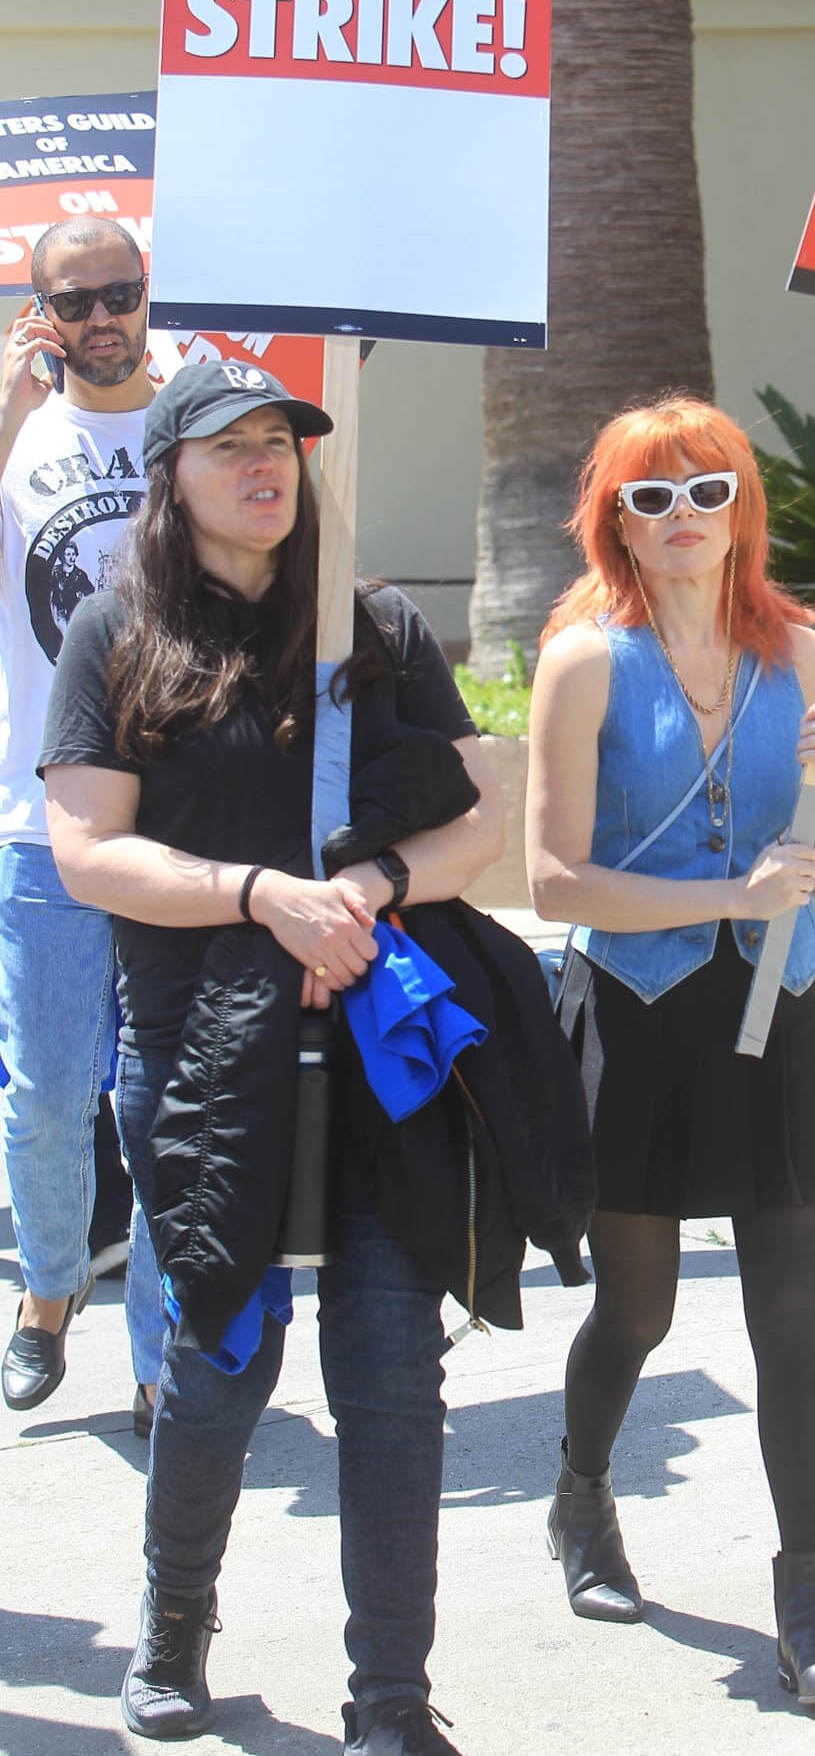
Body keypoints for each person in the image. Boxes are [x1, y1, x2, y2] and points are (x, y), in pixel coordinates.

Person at [40, 361, 505, 1754]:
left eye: (281, 442)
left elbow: (482, 824)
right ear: (169, 474)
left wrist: (366, 888)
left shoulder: (374, 625)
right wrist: (261, 897)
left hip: (372, 1045)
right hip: (197, 1052)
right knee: (224, 1355)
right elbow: (88, 853)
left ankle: (391, 1696)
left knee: (392, 1368)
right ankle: (174, 1626)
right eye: (229, 444)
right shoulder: (119, 631)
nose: (264, 464)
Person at [526, 395, 815, 1706]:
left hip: (786, 1007)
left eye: (708, 490)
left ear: (743, 510)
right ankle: (581, 1494)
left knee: (792, 1312)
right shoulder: (584, 663)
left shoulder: (811, 657)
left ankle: (806, 1594)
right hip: (636, 1012)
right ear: (614, 520)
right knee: (640, 1307)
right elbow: (553, 882)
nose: (683, 516)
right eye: (651, 495)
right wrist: (729, 894)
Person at [0, 218, 163, 1420]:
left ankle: (164, 1355)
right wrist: (10, 405)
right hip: (39, 814)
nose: (101, 318)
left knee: (165, 1101)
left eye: (120, 293)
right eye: (75, 301)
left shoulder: (195, 420)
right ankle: (50, 1285)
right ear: (41, 313)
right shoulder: (21, 436)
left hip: (180, 820)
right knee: (49, 1091)